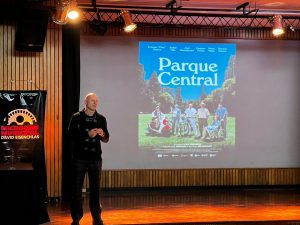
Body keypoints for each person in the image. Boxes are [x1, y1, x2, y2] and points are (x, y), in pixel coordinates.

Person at [68, 93, 109, 225]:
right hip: (79, 159)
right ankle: (76, 217)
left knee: (95, 190)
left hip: (95, 159)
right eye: (92, 101)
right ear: (85, 102)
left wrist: (103, 135)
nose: (95, 103)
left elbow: (106, 138)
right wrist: (87, 134)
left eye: (96, 101)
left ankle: (96, 216)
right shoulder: (76, 117)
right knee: (76, 190)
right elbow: (70, 136)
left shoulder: (101, 118)